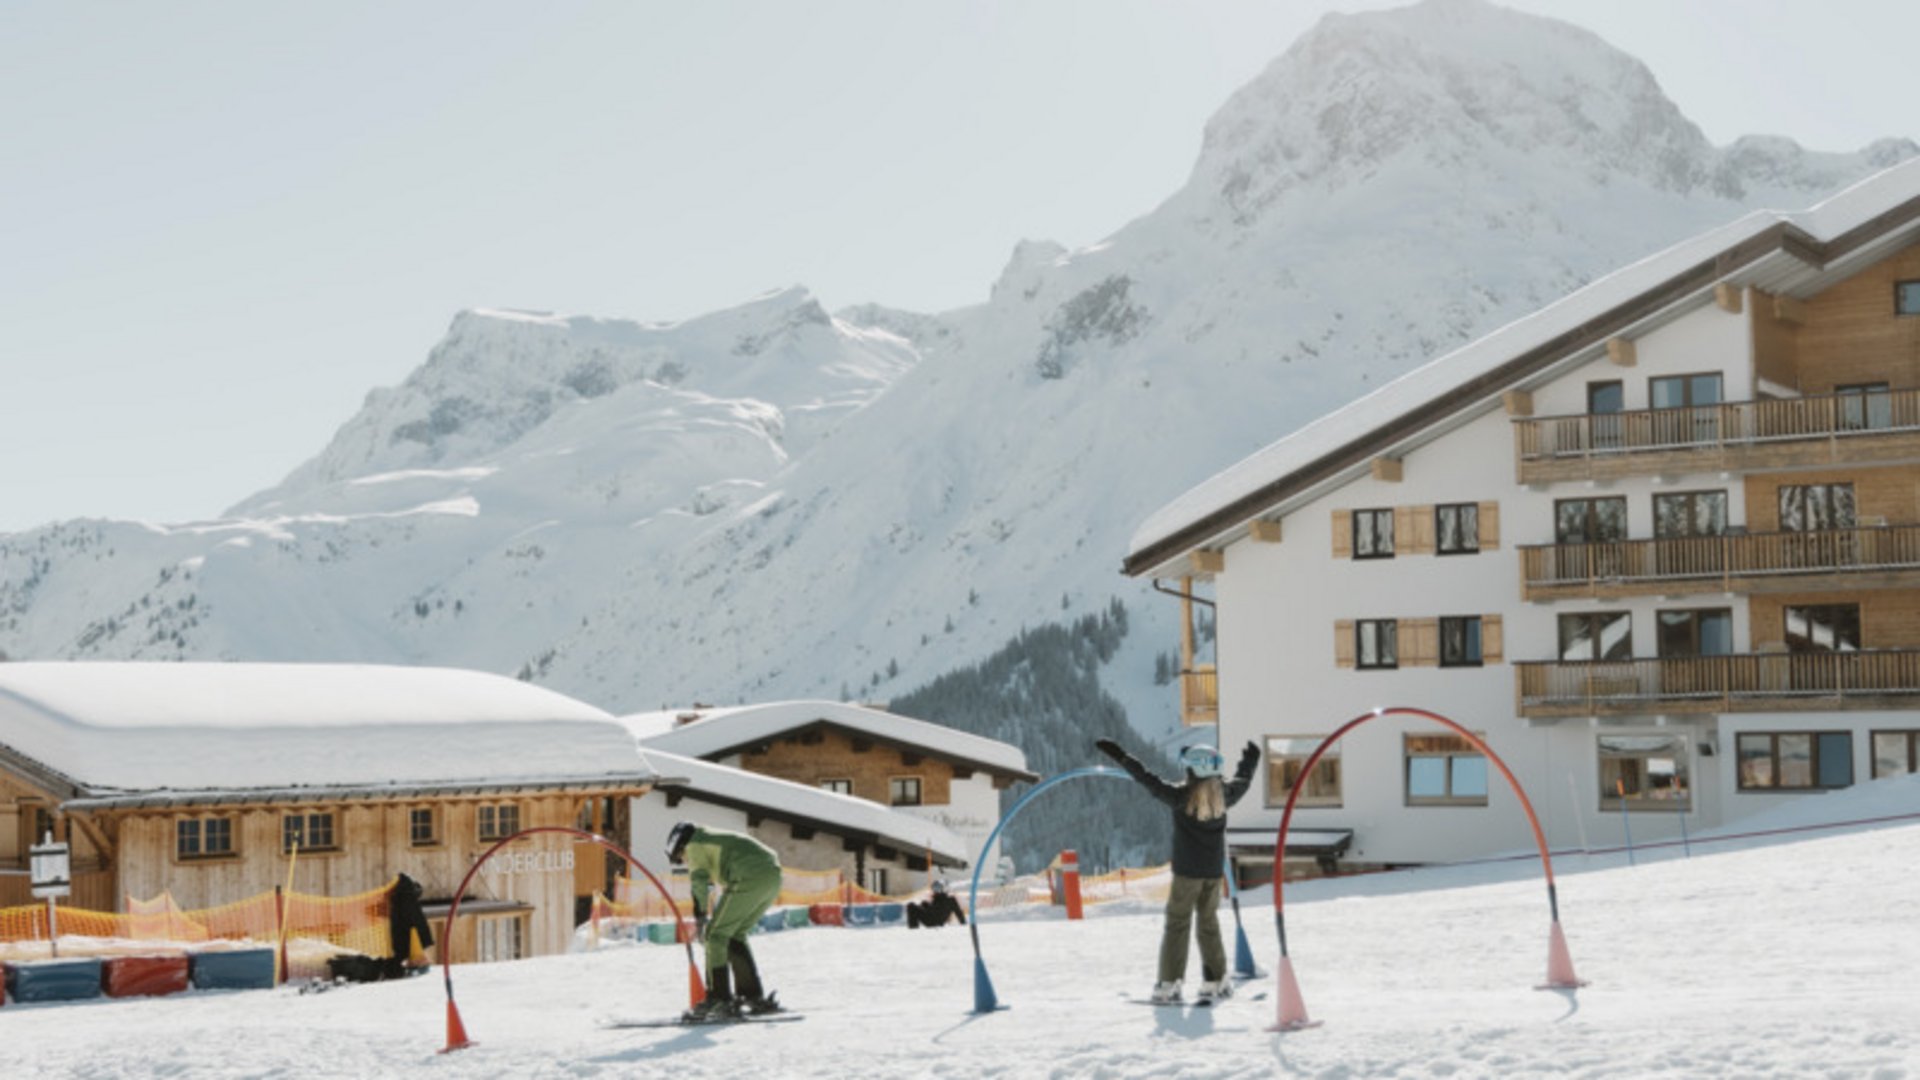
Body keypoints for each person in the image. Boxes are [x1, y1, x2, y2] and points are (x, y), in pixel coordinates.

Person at [1096, 737, 1259, 1004]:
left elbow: (1147, 779)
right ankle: (1217, 980)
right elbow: (1244, 779)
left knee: (1177, 924)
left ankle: (1169, 983)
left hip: (1187, 874)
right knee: (1208, 924)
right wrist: (1251, 757)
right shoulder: (1225, 795)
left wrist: (1121, 755)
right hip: (1212, 873)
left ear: (1192, 770)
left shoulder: (1180, 797)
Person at [667, 821, 785, 1020]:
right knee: (734, 935)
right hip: (772, 875)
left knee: (715, 935)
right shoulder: (708, 838)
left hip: (749, 875)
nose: (685, 863)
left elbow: (699, 882)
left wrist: (700, 917)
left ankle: (718, 998)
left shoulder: (694, 845)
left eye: (680, 859)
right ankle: (752, 995)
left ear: (681, 847)